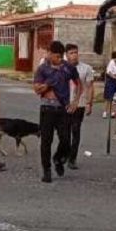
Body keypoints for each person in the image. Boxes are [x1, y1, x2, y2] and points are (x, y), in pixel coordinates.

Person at [33, 41, 80, 183]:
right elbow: (36, 89)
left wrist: (75, 101)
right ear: (50, 54)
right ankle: (46, 170)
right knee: (46, 141)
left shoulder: (68, 68)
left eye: (61, 57)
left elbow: (79, 83)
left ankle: (58, 159)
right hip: (47, 108)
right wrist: (47, 84)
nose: (59, 59)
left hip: (62, 108)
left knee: (66, 139)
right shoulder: (43, 69)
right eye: (56, 56)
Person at [65, 43, 95, 170]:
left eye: (76, 52)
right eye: (71, 53)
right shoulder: (62, 68)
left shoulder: (86, 68)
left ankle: (72, 159)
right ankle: (64, 154)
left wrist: (89, 103)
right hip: (64, 105)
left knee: (75, 131)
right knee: (64, 133)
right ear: (66, 55)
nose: (74, 55)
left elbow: (90, 87)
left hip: (80, 104)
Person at [102, 51, 116, 118]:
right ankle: (105, 112)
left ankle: (113, 112)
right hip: (111, 81)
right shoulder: (111, 62)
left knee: (114, 97)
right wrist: (114, 77)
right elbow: (108, 72)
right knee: (108, 97)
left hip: (115, 82)